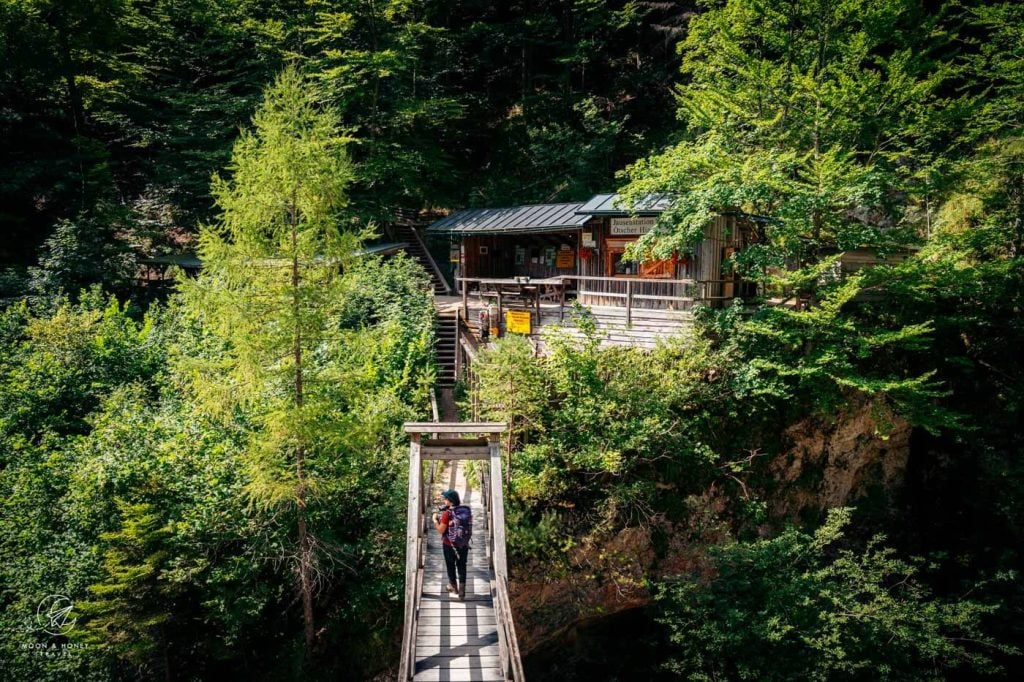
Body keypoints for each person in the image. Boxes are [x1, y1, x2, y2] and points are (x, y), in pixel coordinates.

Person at [432, 488, 471, 600]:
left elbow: (441, 530)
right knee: (462, 565)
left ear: (450, 501)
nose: (444, 501)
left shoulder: (447, 513)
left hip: (449, 544)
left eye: (445, 499)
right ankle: (462, 590)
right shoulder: (464, 511)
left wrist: (435, 520)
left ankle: (453, 586)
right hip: (463, 543)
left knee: (450, 565)